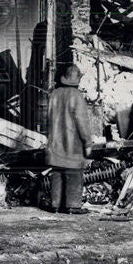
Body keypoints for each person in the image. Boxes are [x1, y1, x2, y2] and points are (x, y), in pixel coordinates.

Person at [45, 63, 95, 214]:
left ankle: (55, 205)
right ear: (77, 79)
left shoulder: (54, 94)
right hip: (72, 143)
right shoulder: (77, 96)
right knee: (74, 173)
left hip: (55, 143)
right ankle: (72, 205)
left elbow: (47, 118)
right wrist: (87, 141)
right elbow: (82, 122)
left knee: (57, 172)